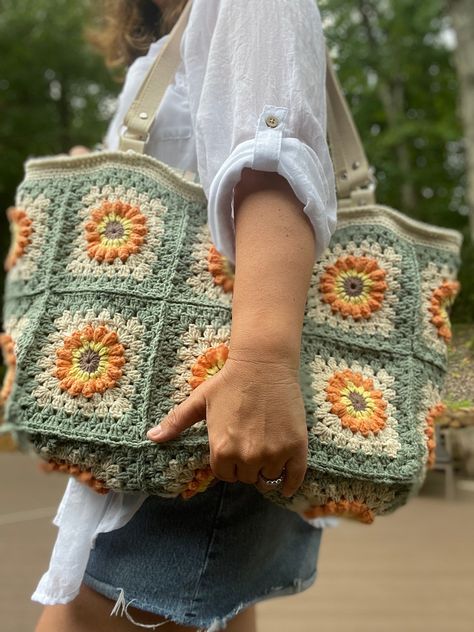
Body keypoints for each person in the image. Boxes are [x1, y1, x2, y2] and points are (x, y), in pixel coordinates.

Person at [34, 0, 337, 630]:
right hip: (180, 389)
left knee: (94, 612)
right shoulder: (183, 24)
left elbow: (273, 160)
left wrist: (260, 363)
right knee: (209, 609)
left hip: (204, 389)